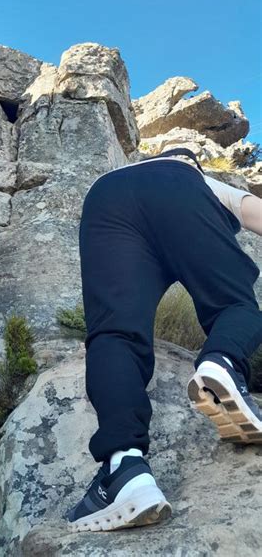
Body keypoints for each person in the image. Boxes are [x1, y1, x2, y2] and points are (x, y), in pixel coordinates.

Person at [67, 146, 262, 532]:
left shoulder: (126, 174)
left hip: (103, 198)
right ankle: (220, 362)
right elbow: (254, 210)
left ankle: (126, 470)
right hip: (176, 189)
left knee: (115, 333)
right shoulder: (195, 177)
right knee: (235, 305)